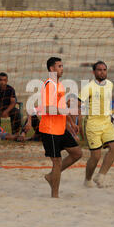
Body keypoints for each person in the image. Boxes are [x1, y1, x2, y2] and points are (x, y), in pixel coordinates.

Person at [39, 57, 82, 198]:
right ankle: (55, 196)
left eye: (62, 66)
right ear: (51, 69)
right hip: (49, 129)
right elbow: (48, 108)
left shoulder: (60, 85)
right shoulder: (49, 84)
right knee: (57, 161)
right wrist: (67, 111)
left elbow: (62, 107)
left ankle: (52, 176)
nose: (62, 69)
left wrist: (71, 123)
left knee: (77, 153)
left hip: (61, 128)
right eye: (59, 66)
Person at [80, 61, 114, 188]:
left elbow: (107, 101)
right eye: (99, 70)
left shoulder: (110, 84)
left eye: (104, 69)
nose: (102, 72)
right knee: (96, 156)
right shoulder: (88, 87)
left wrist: (112, 115)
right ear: (94, 72)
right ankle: (87, 180)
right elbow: (77, 102)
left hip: (106, 122)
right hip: (92, 124)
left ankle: (101, 176)